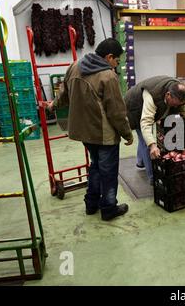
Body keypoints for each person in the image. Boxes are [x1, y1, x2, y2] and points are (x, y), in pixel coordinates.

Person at [48, 38, 134, 221]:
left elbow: (64, 93)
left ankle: (91, 204)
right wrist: (127, 134)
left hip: (83, 132)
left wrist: (52, 105)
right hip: (103, 134)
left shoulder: (74, 66)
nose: (116, 64)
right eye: (117, 60)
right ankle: (109, 208)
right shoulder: (108, 76)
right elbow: (116, 111)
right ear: (109, 57)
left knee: (95, 166)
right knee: (108, 172)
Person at [124, 76, 185, 185]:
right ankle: (154, 177)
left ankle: (140, 162)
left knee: (145, 138)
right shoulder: (151, 95)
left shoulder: (181, 96)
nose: (176, 107)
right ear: (168, 95)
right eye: (175, 104)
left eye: (178, 105)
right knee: (145, 140)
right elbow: (146, 123)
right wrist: (152, 145)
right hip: (135, 107)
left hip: (153, 106)